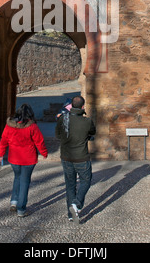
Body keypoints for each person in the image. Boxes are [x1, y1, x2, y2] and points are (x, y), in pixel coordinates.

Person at [0, 103, 48, 217]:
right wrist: (44, 152)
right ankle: (21, 208)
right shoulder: (32, 126)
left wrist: (1, 153)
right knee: (25, 181)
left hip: (14, 158)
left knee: (17, 178)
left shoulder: (9, 125)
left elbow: (4, 140)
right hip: (28, 158)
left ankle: (14, 201)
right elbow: (39, 141)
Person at [55, 95, 96, 224]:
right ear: (82, 107)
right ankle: (76, 205)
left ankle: (71, 214)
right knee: (86, 180)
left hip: (66, 157)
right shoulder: (87, 121)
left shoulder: (63, 119)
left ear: (71, 106)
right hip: (81, 158)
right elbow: (92, 132)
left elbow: (58, 135)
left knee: (70, 185)